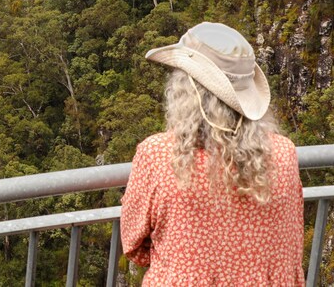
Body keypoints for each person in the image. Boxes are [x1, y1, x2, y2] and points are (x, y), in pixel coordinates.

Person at [120, 22, 304, 286]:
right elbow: (291, 240)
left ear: (186, 91)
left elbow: (134, 246)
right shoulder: (285, 154)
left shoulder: (157, 155)